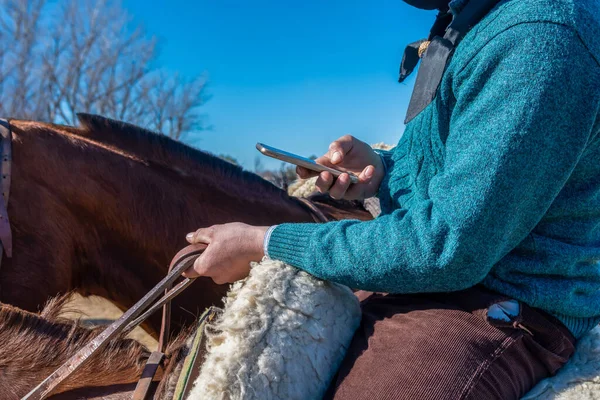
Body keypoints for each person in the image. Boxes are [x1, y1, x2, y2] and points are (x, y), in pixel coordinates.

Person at [183, 0, 600, 398]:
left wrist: (265, 243)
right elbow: (458, 175)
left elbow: (446, 245)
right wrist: (383, 171)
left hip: (502, 303)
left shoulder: (539, 34)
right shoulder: (472, 22)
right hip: (434, 282)